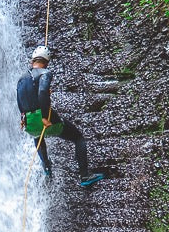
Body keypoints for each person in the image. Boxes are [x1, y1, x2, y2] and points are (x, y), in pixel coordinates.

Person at [17, 45, 104, 187]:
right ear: (46, 62)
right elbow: (42, 92)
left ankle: (47, 169)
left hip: (28, 122)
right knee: (78, 137)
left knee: (37, 135)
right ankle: (85, 175)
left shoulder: (21, 78)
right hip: (42, 118)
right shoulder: (45, 73)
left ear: (32, 61)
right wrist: (45, 117)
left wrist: (23, 119)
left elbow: (20, 100)